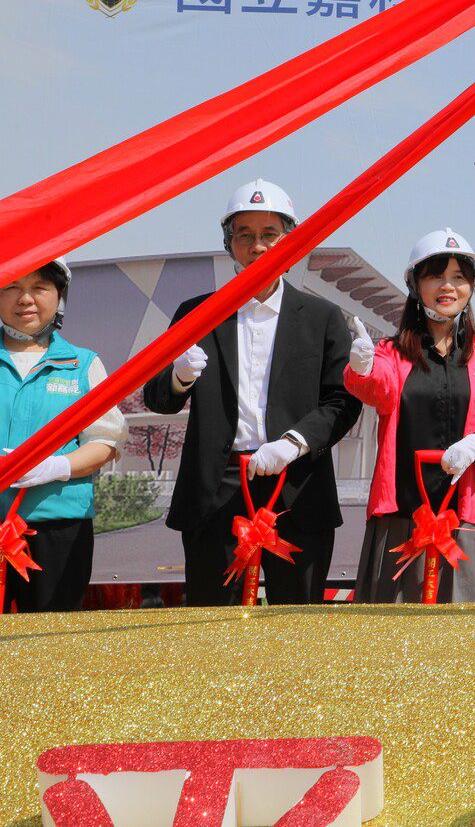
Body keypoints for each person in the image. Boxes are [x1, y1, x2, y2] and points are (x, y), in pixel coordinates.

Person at [142, 179, 360, 606]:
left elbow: (342, 402)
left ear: (290, 242)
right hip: (216, 487)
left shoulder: (322, 317)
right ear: (230, 244)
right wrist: (178, 377)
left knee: (295, 626)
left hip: (296, 485)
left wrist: (293, 443)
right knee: (211, 623)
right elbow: (157, 399)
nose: (258, 246)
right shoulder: (196, 314)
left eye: (270, 235)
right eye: (245, 235)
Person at [346, 229, 475, 602]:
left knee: (469, 643)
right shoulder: (391, 354)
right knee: (397, 641)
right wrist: (361, 368)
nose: (448, 286)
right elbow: (377, 388)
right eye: (435, 275)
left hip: (470, 522)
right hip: (402, 520)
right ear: (416, 285)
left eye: (459, 277)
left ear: (471, 287)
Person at [0, 259, 127, 612]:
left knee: (47, 640)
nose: (25, 299)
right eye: (11, 287)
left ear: (60, 296)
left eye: (39, 287)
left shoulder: (82, 364)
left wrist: (53, 467)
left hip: (58, 527)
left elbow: (105, 442)